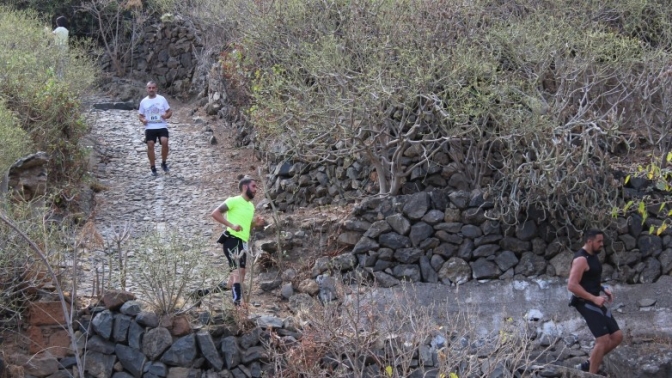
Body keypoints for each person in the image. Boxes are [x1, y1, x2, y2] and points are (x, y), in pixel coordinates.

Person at [567, 229, 623, 374]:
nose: (602, 244)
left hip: (596, 300)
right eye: (599, 241)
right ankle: (592, 374)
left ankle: (590, 363)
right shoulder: (581, 259)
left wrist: (603, 289)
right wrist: (593, 298)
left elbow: (590, 279)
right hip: (584, 302)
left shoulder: (593, 256)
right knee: (603, 339)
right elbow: (572, 285)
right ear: (589, 241)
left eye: (602, 241)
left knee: (617, 336)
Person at [211, 176, 264, 306]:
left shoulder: (251, 206)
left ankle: (201, 293)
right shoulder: (233, 200)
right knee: (239, 272)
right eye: (253, 186)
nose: (256, 189)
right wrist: (231, 225)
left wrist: (255, 224)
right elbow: (215, 213)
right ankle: (237, 305)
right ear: (245, 187)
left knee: (234, 279)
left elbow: (247, 227)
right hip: (232, 239)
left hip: (243, 242)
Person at [138, 81, 172, 176]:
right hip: (150, 127)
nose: (151, 90)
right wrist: (143, 120)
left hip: (161, 126)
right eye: (149, 88)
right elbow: (140, 115)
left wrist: (166, 116)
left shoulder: (162, 99)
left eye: (153, 88)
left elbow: (169, 111)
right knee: (150, 144)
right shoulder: (143, 101)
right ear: (147, 89)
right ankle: (153, 167)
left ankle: (164, 163)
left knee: (165, 142)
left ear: (156, 89)